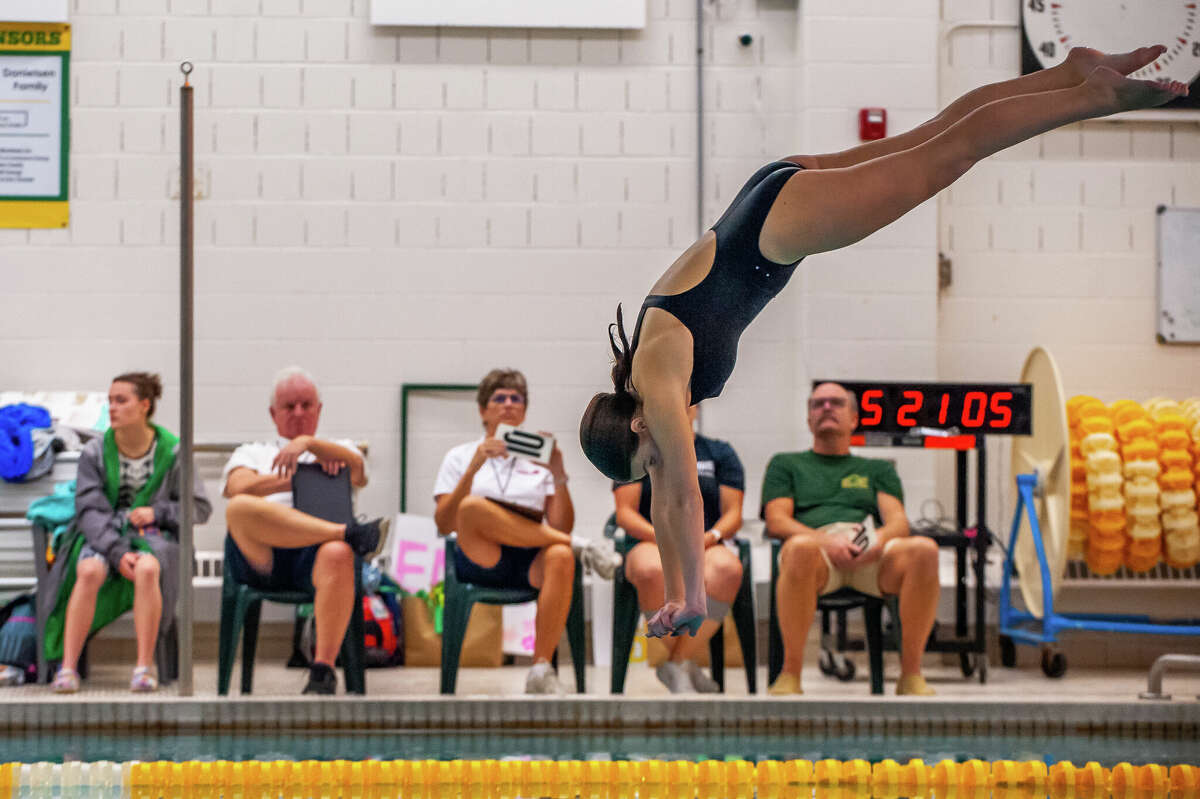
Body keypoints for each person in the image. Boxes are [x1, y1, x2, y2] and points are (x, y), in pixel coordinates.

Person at [579, 46, 1187, 637]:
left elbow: (684, 496)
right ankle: (1068, 74)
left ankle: (1093, 95)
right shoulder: (647, 381)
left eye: (650, 456)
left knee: (951, 151)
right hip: (771, 200)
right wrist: (684, 595)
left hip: (777, 225)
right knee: (940, 134)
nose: (663, 458)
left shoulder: (657, 379)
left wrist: (691, 597)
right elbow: (665, 501)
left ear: (637, 427)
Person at [434, 368, 619, 694]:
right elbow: (444, 523)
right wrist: (473, 469)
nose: (508, 404)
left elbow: (561, 525)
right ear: (483, 409)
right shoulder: (459, 456)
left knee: (561, 555)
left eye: (516, 398)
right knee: (471, 509)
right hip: (480, 557)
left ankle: (540, 669)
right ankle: (582, 546)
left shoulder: (538, 459)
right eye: (499, 398)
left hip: (530, 557)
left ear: (524, 409)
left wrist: (558, 474)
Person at [763, 382, 939, 696]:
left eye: (835, 403)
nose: (826, 408)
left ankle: (911, 675)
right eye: (818, 404)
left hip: (869, 553)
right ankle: (790, 675)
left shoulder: (877, 469)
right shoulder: (786, 464)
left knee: (924, 550)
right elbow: (777, 521)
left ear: (855, 419)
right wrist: (825, 542)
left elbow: (898, 522)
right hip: (816, 556)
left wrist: (875, 542)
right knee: (799, 548)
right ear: (808, 420)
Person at [222, 366, 389, 695]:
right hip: (264, 558)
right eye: (289, 406)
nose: (298, 412)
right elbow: (236, 487)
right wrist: (297, 475)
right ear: (273, 413)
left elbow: (358, 472)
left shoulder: (337, 448)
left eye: (306, 405)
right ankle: (347, 532)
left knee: (338, 552)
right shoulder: (253, 452)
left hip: (318, 561)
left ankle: (322, 670)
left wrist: (310, 444)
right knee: (238, 508)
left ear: (319, 409)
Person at [47, 372, 212, 693]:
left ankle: (143, 666)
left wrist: (159, 511)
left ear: (144, 406)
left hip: (154, 538)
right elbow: (90, 511)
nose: (112, 408)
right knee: (88, 568)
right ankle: (67, 668)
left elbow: (200, 507)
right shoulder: (95, 452)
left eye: (121, 400)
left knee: (149, 568)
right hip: (104, 536)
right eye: (110, 400)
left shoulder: (174, 452)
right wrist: (116, 552)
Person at [613, 405, 744, 693]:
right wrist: (664, 539)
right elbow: (625, 512)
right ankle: (682, 665)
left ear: (696, 407)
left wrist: (710, 537)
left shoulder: (718, 453)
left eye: (685, 399)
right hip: (650, 540)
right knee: (651, 570)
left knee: (727, 569)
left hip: (705, 542)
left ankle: (676, 661)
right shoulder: (638, 448)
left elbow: (734, 513)